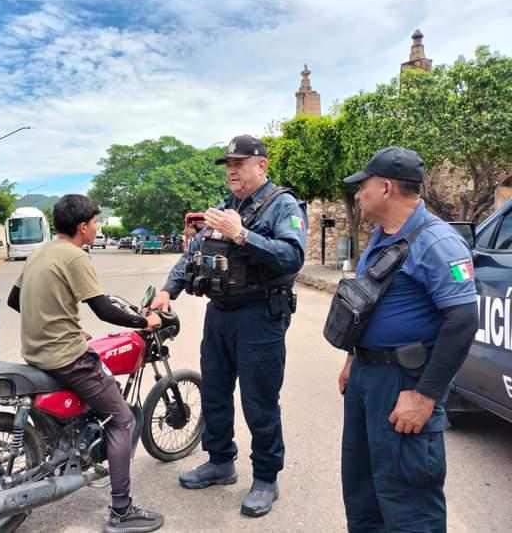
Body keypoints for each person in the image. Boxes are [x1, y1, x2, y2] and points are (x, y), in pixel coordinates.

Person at [151, 134, 307, 517]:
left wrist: (242, 234)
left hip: (260, 317)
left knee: (259, 400)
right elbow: (194, 254)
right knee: (216, 392)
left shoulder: (281, 205)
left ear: (262, 165)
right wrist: (168, 292)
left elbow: (292, 257)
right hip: (220, 314)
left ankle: (266, 477)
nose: (232, 170)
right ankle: (220, 461)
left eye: (239, 163)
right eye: (228, 165)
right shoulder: (225, 207)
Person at [337, 147, 478, 532]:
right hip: (369, 377)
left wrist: (426, 396)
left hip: (405, 383)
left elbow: (463, 319)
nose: (358, 193)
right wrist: (354, 358)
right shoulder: (384, 236)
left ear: (385, 188)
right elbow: (371, 304)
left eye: (362, 185)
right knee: (363, 490)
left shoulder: (436, 242)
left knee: (408, 500)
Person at [7, 194, 164, 533]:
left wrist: (54, 321)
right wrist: (144, 323)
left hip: (36, 354)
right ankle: (122, 512)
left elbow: (14, 300)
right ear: (82, 227)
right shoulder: (75, 256)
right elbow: (104, 309)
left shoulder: (40, 251)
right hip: (67, 358)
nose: (97, 227)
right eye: (95, 222)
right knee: (121, 419)